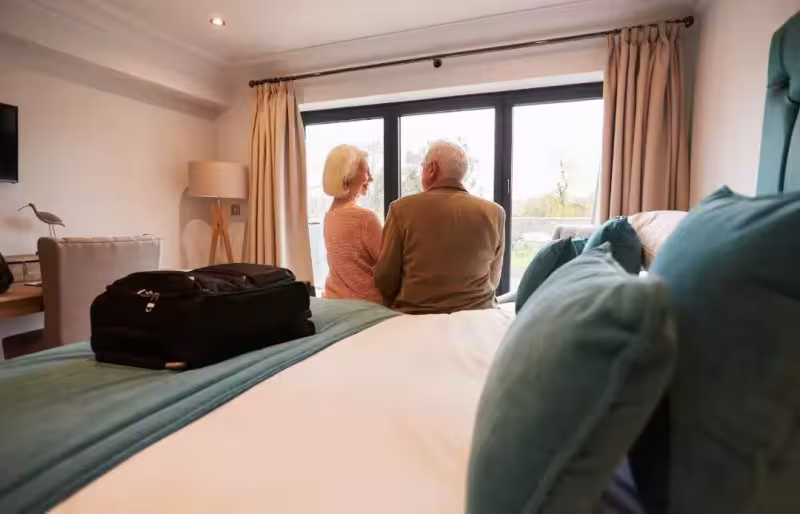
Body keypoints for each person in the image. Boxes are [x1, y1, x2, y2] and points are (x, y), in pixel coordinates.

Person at [375, 140, 506, 314]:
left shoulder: (401, 209)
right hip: (479, 314)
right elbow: (494, 278)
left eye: (423, 167)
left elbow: (385, 279)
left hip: (416, 315)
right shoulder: (495, 212)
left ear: (432, 168)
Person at [321, 144, 383, 303]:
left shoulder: (329, 217)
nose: (371, 178)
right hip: (365, 305)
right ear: (347, 177)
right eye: (366, 172)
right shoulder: (365, 218)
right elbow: (390, 266)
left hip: (333, 301)